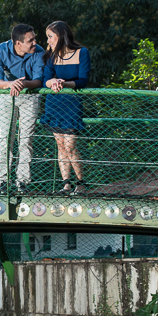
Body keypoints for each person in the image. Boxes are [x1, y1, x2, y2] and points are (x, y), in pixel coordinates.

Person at [0, 23, 46, 192]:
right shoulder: (0, 51)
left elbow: (38, 81)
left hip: (30, 96)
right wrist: (11, 84)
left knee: (26, 139)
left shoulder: (39, 52)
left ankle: (22, 181)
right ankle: (3, 181)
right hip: (7, 97)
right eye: (31, 40)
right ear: (18, 43)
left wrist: (22, 84)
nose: (35, 42)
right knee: (6, 138)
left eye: (34, 38)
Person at [40, 20, 90, 195]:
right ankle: (66, 185)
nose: (48, 41)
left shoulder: (82, 53)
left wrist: (64, 83)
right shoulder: (52, 56)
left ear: (60, 35)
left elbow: (83, 80)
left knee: (70, 146)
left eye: (50, 37)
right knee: (60, 146)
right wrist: (52, 81)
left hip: (72, 102)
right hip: (54, 103)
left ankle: (81, 184)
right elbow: (45, 79)